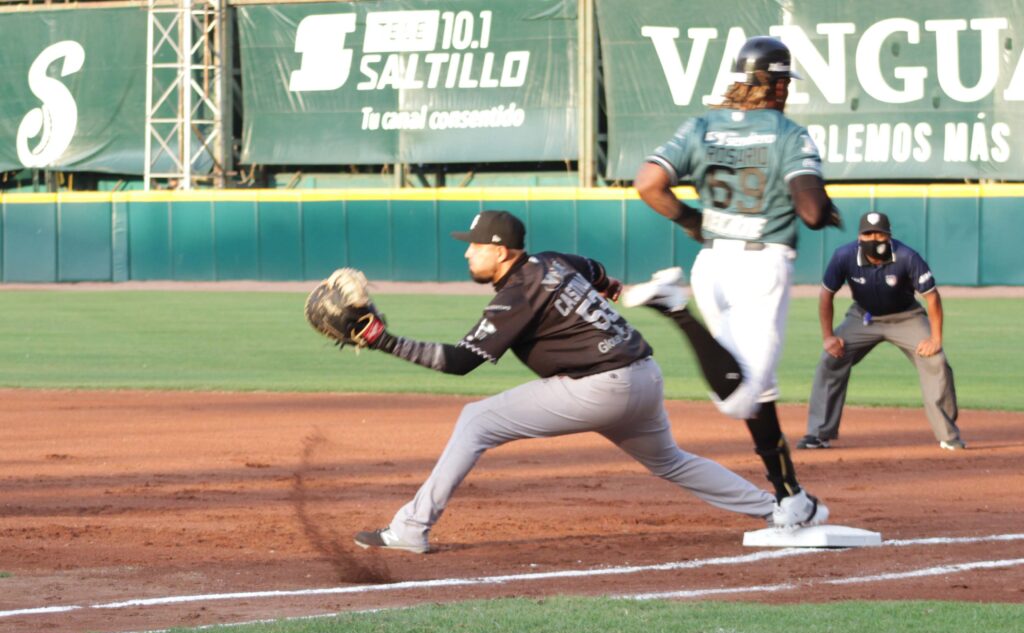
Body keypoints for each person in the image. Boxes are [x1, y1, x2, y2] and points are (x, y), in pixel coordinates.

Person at [348, 209, 781, 553]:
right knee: (671, 461)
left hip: (600, 387)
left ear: (501, 252)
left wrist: (382, 340)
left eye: (476, 246)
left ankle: (411, 528)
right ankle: (778, 511)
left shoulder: (517, 294)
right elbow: (595, 270)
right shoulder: (554, 260)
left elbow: (460, 362)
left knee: (476, 420)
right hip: (644, 376)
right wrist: (613, 289)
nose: (467, 254)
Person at [625, 35, 839, 528]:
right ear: (777, 85)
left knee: (758, 392)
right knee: (739, 396)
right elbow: (810, 212)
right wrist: (825, 207)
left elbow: (648, 183)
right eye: (785, 83)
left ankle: (790, 496)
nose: (787, 91)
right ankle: (674, 308)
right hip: (762, 266)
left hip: (712, 262)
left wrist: (691, 221)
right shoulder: (788, 133)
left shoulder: (701, 126)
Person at [796, 211, 964, 451]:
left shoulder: (906, 256)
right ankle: (818, 433)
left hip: (906, 316)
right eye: (868, 234)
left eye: (879, 234)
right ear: (859, 237)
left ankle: (948, 435)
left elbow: (932, 297)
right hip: (863, 317)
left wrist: (936, 338)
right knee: (830, 359)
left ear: (888, 236)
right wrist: (828, 337)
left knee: (936, 360)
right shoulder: (844, 256)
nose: (874, 239)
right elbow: (826, 295)